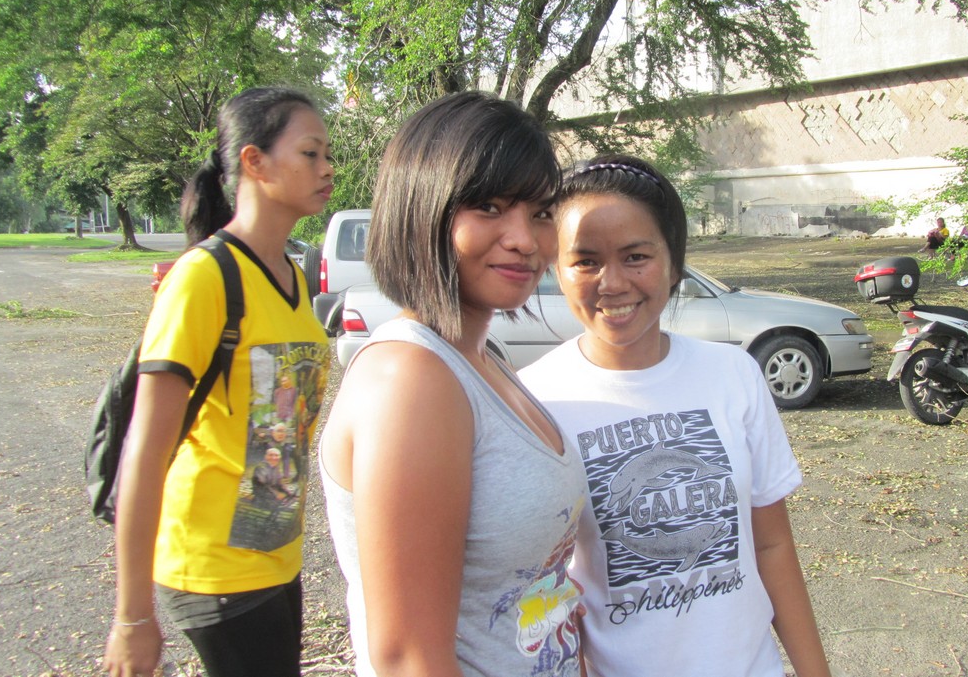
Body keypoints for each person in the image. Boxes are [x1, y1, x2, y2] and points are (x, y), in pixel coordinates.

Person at [520, 155, 832, 677]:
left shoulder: (733, 374)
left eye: (636, 256)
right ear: (556, 269)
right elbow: (540, 586)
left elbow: (772, 544)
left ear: (674, 264)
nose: (612, 283)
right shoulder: (533, 401)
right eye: (586, 261)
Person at [318, 91, 586, 677]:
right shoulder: (410, 380)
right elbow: (408, 659)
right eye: (489, 206)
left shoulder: (484, 358)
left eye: (541, 212)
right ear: (423, 208)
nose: (525, 239)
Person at [102, 86, 334, 677]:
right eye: (310, 153)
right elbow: (144, 451)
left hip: (274, 554)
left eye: (328, 155)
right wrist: (132, 617)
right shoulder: (203, 277)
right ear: (255, 162)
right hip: (213, 567)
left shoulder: (292, 277)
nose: (327, 168)